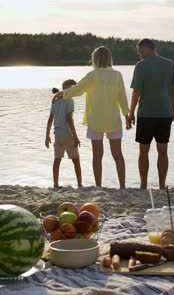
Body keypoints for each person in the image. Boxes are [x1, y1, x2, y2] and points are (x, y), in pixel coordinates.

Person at [52, 46, 130, 189]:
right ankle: (123, 186)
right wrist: (127, 115)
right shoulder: (117, 75)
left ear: (95, 60)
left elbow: (78, 89)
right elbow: (122, 97)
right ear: (109, 59)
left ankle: (99, 186)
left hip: (95, 120)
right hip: (113, 120)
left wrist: (62, 93)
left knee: (97, 155)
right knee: (118, 155)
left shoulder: (93, 75)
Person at [128, 38, 174, 190]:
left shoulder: (141, 66)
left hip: (146, 115)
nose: (140, 55)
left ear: (147, 48)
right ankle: (162, 186)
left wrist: (131, 113)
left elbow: (136, 92)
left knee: (144, 152)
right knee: (163, 151)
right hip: (165, 113)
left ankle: (143, 186)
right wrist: (172, 109)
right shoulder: (170, 64)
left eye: (140, 51)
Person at [45, 79, 82, 189]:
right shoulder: (70, 100)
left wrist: (47, 136)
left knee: (57, 160)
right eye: (74, 89)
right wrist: (76, 137)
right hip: (68, 135)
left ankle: (55, 184)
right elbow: (69, 120)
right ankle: (80, 184)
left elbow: (50, 119)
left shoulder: (56, 100)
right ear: (70, 88)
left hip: (57, 134)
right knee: (76, 161)